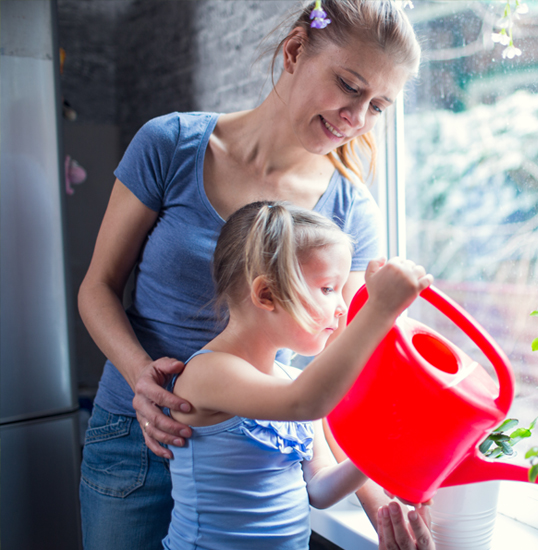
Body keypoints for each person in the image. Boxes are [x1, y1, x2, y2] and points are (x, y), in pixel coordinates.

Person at [76, 1, 431, 548]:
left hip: (256, 453)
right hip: (136, 436)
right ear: (294, 51)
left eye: (378, 106)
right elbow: (97, 287)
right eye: (349, 86)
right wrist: (140, 375)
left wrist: (378, 498)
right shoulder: (170, 145)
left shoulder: (351, 210)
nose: (356, 118)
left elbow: (342, 363)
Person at [160, 200, 431, 549]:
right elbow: (306, 402)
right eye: (328, 288)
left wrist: (382, 447)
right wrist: (379, 309)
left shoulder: (289, 380)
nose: (343, 306)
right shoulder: (208, 372)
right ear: (266, 294)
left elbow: (318, 487)